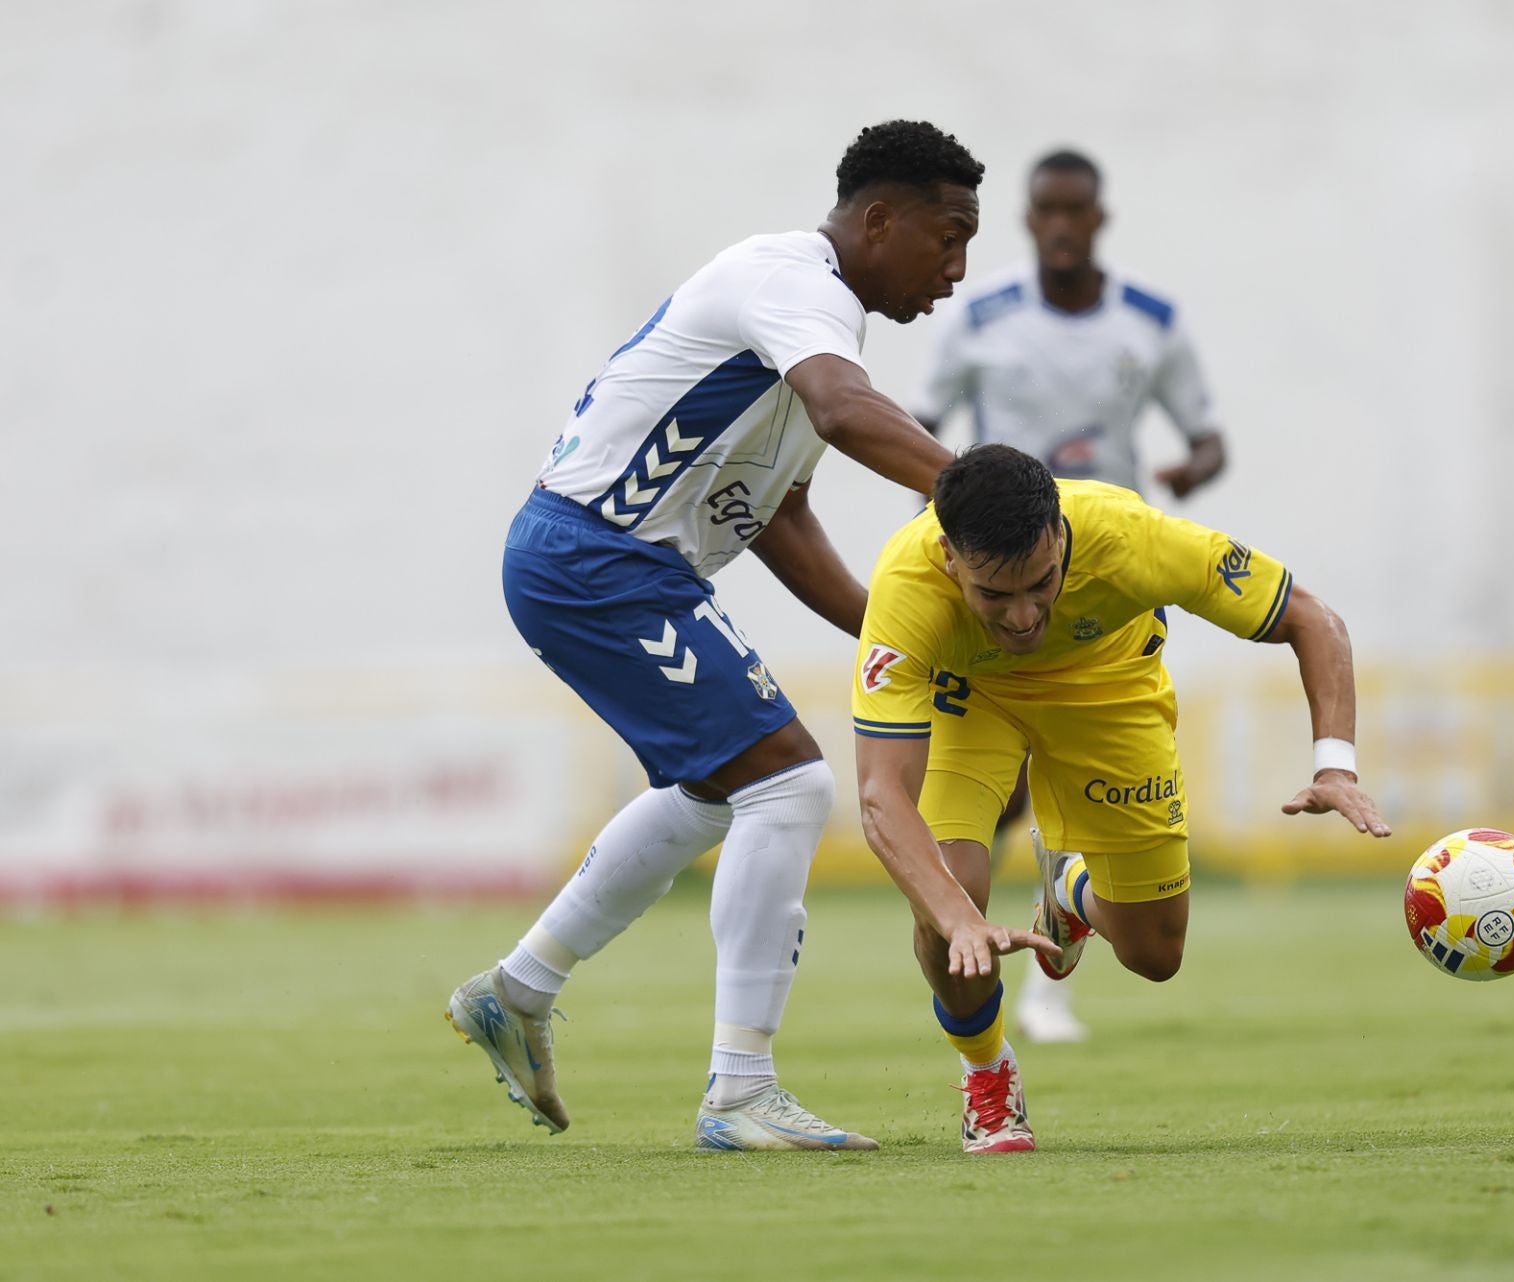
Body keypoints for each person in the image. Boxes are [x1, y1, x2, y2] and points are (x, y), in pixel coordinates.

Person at [445, 120, 1026, 1152]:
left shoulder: (817, 332)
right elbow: (845, 411)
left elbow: (781, 518)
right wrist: (982, 495)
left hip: (617, 566)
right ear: (878, 219)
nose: (957, 267)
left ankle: (518, 988)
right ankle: (739, 1091)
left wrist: (891, 632)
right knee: (789, 783)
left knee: (719, 788)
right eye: (948, 236)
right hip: (596, 558)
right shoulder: (791, 283)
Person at [851, 445, 1390, 1153]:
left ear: (1061, 536)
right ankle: (987, 1074)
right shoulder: (906, 582)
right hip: (971, 697)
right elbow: (880, 794)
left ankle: (1068, 892)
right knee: (949, 894)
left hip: (1105, 689)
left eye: (1042, 584)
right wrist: (956, 917)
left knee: (1155, 953)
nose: (1020, 616)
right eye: (993, 595)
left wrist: (1336, 767)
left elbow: (1314, 620)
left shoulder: (1130, 538)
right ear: (950, 556)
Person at [914, 149, 1229, 1042]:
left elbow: (1207, 437)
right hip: (998, 592)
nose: (1059, 227)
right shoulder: (981, 318)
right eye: (1044, 211)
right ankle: (1051, 943)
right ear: (1027, 220)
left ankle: (1068, 920)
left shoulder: (1151, 321)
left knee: (1070, 780)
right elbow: (923, 426)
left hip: (1101, 585)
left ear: (1098, 218)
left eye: (1074, 211)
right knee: (1002, 795)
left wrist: (1188, 473)